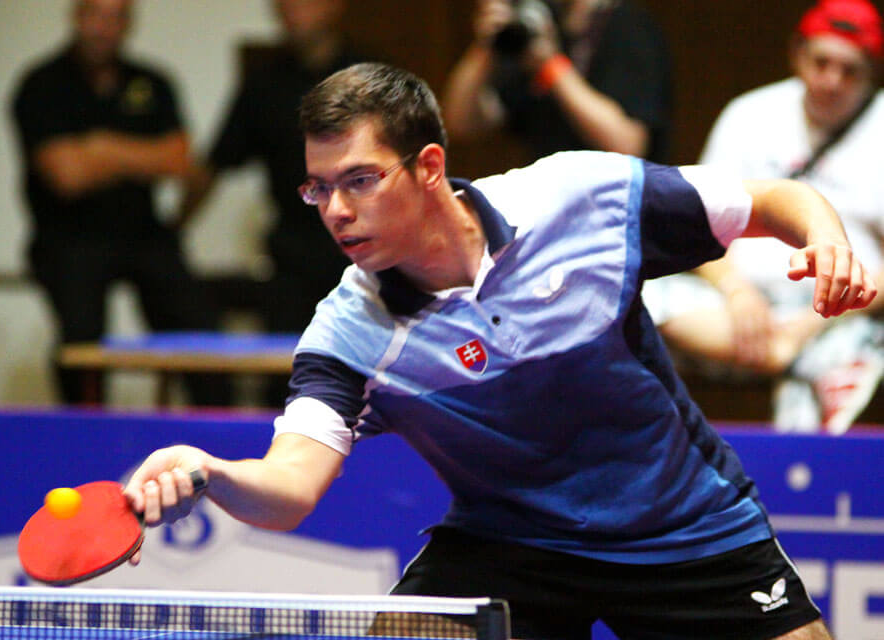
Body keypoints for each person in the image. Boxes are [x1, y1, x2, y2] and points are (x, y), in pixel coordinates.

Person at [123, 62, 876, 639]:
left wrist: (828, 241)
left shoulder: (579, 200)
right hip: (512, 542)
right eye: (320, 189)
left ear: (428, 166)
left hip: (682, 528)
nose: (338, 211)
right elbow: (290, 487)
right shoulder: (350, 332)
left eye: (360, 180)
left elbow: (770, 200)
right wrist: (210, 471)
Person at [642, 0, 884, 433]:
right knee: (638, 295)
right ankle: (784, 357)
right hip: (736, 308)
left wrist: (811, 323)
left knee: (854, 347)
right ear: (798, 54)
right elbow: (697, 223)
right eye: (821, 63)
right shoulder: (750, 115)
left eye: (849, 71)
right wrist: (738, 293)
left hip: (841, 312)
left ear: (871, 73)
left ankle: (807, 358)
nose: (832, 80)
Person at [10, 0, 230, 406]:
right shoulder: (42, 85)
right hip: (68, 236)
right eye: (96, 15)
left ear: (128, 24)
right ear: (77, 16)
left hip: (142, 233)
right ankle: (84, 429)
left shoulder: (151, 81)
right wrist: (140, 157)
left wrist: (101, 148)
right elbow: (66, 177)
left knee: (198, 326)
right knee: (81, 338)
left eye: (115, 18)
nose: (104, 28)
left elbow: (179, 160)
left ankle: (216, 427)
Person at [178, 0, 365, 406]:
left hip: (363, 252)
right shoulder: (265, 85)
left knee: (366, 376)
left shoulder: (369, 78)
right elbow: (216, 163)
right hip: (292, 255)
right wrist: (173, 228)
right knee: (286, 381)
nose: (290, 9)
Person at [442, 0, 671, 162]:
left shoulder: (628, 27)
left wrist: (551, 65)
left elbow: (627, 145)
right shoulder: (538, 29)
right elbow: (461, 122)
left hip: (614, 209)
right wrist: (488, 45)